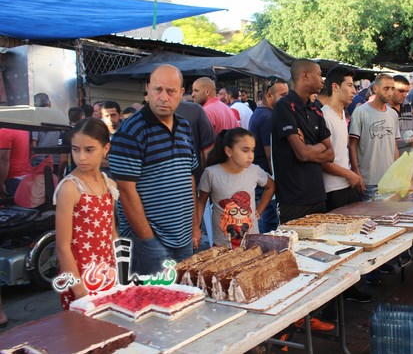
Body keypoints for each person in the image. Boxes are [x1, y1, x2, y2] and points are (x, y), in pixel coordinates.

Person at [109, 65, 199, 275]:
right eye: (158, 89)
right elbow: (126, 191)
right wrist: (148, 240)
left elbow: (189, 177)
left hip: (183, 239)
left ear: (181, 93)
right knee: (153, 300)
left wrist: (194, 226)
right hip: (150, 242)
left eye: (171, 91)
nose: (163, 97)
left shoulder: (184, 126)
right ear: (148, 89)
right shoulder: (131, 130)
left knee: (183, 298)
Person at [54, 118, 119, 309]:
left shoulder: (109, 184)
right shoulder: (70, 188)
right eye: (75, 149)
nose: (81, 157)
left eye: (89, 150)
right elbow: (62, 246)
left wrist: (118, 272)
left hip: (107, 274)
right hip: (79, 278)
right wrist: (80, 291)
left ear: (105, 148)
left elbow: (112, 233)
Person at [271, 59, 334, 223]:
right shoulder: (284, 107)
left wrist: (311, 147)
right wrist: (319, 147)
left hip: (318, 196)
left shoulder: (316, 109)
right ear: (305, 76)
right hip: (293, 200)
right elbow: (302, 154)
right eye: (319, 74)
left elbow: (331, 154)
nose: (322, 80)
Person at [196, 128, 275, 249]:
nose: (250, 156)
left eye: (252, 150)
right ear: (229, 151)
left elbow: (271, 186)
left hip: (251, 244)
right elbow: (201, 201)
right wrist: (196, 227)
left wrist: (259, 210)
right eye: (245, 150)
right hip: (222, 245)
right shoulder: (211, 173)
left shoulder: (254, 171)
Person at [248, 75, 289, 233]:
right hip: (267, 181)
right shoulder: (267, 117)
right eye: (283, 95)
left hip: (263, 180)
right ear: (268, 95)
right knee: (270, 224)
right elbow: (270, 155)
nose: (287, 99)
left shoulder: (262, 113)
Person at [348, 74, 400, 194]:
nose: (390, 93)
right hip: (368, 181)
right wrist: (357, 174)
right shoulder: (360, 112)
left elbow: (394, 146)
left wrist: (397, 172)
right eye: (386, 88)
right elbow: (352, 145)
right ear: (375, 89)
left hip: (389, 180)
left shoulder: (393, 114)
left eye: (392, 89)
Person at [321, 67, 363, 211]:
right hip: (333, 189)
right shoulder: (324, 116)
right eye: (350, 85)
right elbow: (323, 161)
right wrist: (349, 174)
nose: (354, 91)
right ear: (335, 87)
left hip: (348, 185)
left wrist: (354, 173)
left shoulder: (343, 113)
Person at [390, 75, 413, 155]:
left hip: (410, 157)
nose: (404, 95)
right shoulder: (384, 109)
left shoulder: (408, 107)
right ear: (391, 89)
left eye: (407, 91)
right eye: (401, 91)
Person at [0, 128, 32, 197]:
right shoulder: (24, 130)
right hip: (24, 176)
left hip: (11, 179)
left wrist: (1, 183)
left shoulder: (5, 131)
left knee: (9, 206)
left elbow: (3, 160)